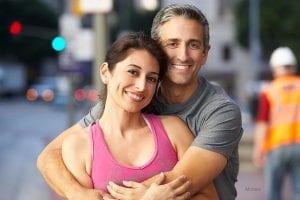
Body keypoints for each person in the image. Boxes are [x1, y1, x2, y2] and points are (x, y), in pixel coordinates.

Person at [37, 4, 243, 200]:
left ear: (205, 53)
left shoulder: (221, 112)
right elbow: (49, 156)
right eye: (173, 43)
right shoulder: (132, 99)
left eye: (194, 45)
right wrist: (77, 193)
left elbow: (184, 180)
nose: (183, 55)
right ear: (157, 48)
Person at [61, 32, 217, 199]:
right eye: (133, 72)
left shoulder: (173, 130)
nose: (141, 86)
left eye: (151, 79)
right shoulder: (78, 146)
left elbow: (209, 196)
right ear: (106, 72)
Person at [252, 47, 300, 200]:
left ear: (274, 68)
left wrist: (258, 150)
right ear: (293, 66)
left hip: (276, 146)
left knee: (274, 192)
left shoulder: (269, 91)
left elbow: (262, 125)